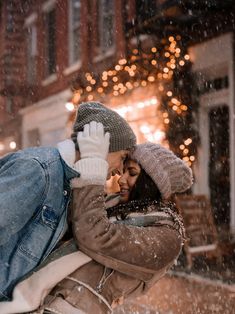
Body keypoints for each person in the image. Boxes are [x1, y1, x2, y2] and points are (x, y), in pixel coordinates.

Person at [2, 124, 193, 314]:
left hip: (72, 307)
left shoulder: (166, 237)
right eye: (123, 170)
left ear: (152, 184)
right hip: (39, 298)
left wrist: (92, 170)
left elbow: (95, 235)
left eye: (132, 173)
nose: (121, 179)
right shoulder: (115, 205)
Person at [0, 102, 136, 301]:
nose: (120, 170)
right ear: (102, 146)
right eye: (123, 157)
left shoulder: (71, 184)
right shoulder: (39, 170)